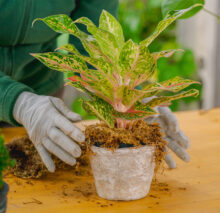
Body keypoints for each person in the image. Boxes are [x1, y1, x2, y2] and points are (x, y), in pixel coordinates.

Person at [0, 0, 190, 172]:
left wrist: (132, 104)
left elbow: (97, 49)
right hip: (28, 105)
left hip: (45, 104)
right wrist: (16, 101)